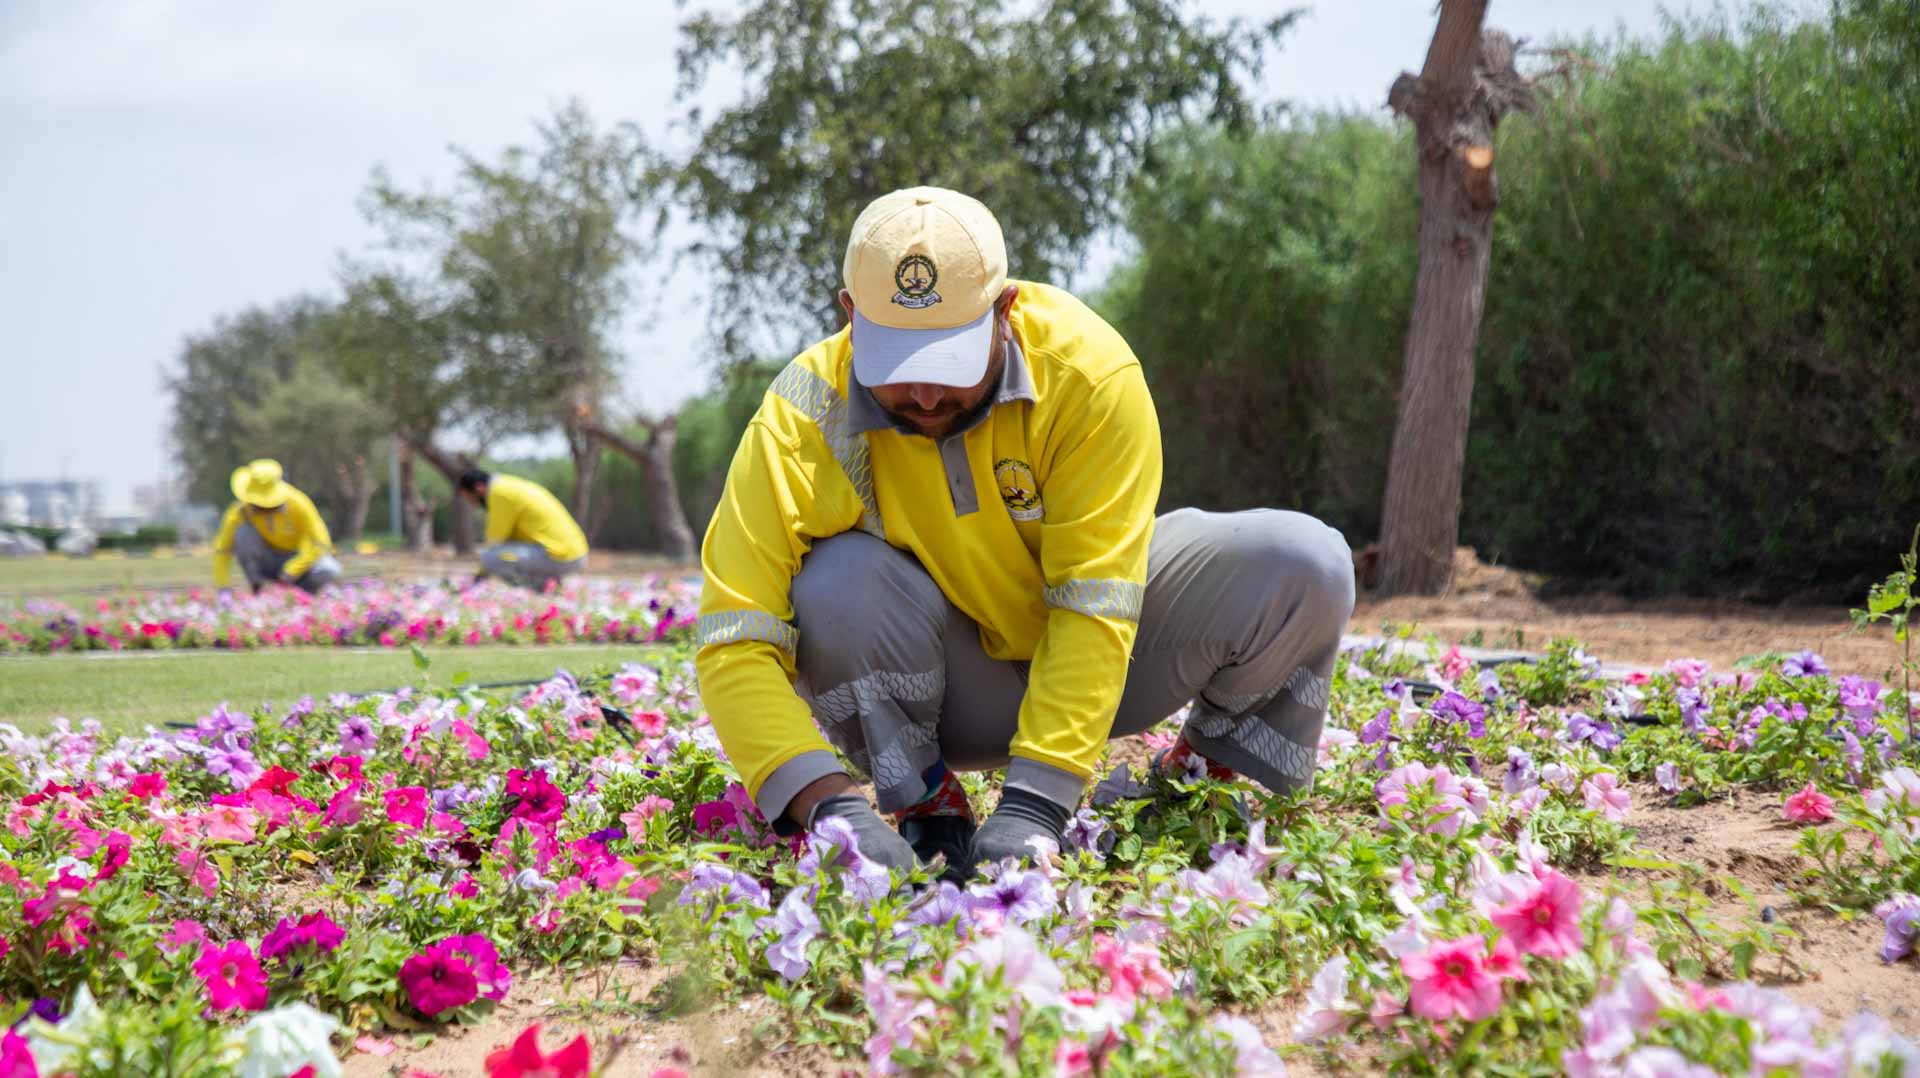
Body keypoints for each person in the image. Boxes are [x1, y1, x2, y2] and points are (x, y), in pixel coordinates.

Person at [695, 187, 1355, 875]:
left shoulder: (1087, 373)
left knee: (1305, 562)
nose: (924, 395)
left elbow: (1095, 603)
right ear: (850, 317)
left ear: (1005, 310)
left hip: (1113, 665)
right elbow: (732, 634)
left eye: (947, 362)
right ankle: (926, 801)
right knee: (833, 582)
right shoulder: (803, 409)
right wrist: (830, 807)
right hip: (951, 694)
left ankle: (1197, 783)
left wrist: (1037, 804)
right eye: (897, 365)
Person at [212, 459, 342, 595]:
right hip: (267, 561)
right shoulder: (240, 512)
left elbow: (320, 542)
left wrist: (292, 570)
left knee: (329, 568)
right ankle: (259, 587)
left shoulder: (298, 503)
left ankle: (305, 593)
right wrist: (223, 588)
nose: (263, 508)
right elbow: (223, 551)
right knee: (243, 534)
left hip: (298, 560)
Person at [456, 469, 589, 590]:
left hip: (561, 555)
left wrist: (476, 580)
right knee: (504, 555)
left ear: (479, 487)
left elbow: (495, 542)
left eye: (470, 498)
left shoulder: (499, 493)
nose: (473, 504)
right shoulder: (508, 486)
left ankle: (540, 589)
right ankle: (549, 584)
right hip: (570, 552)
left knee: (492, 558)